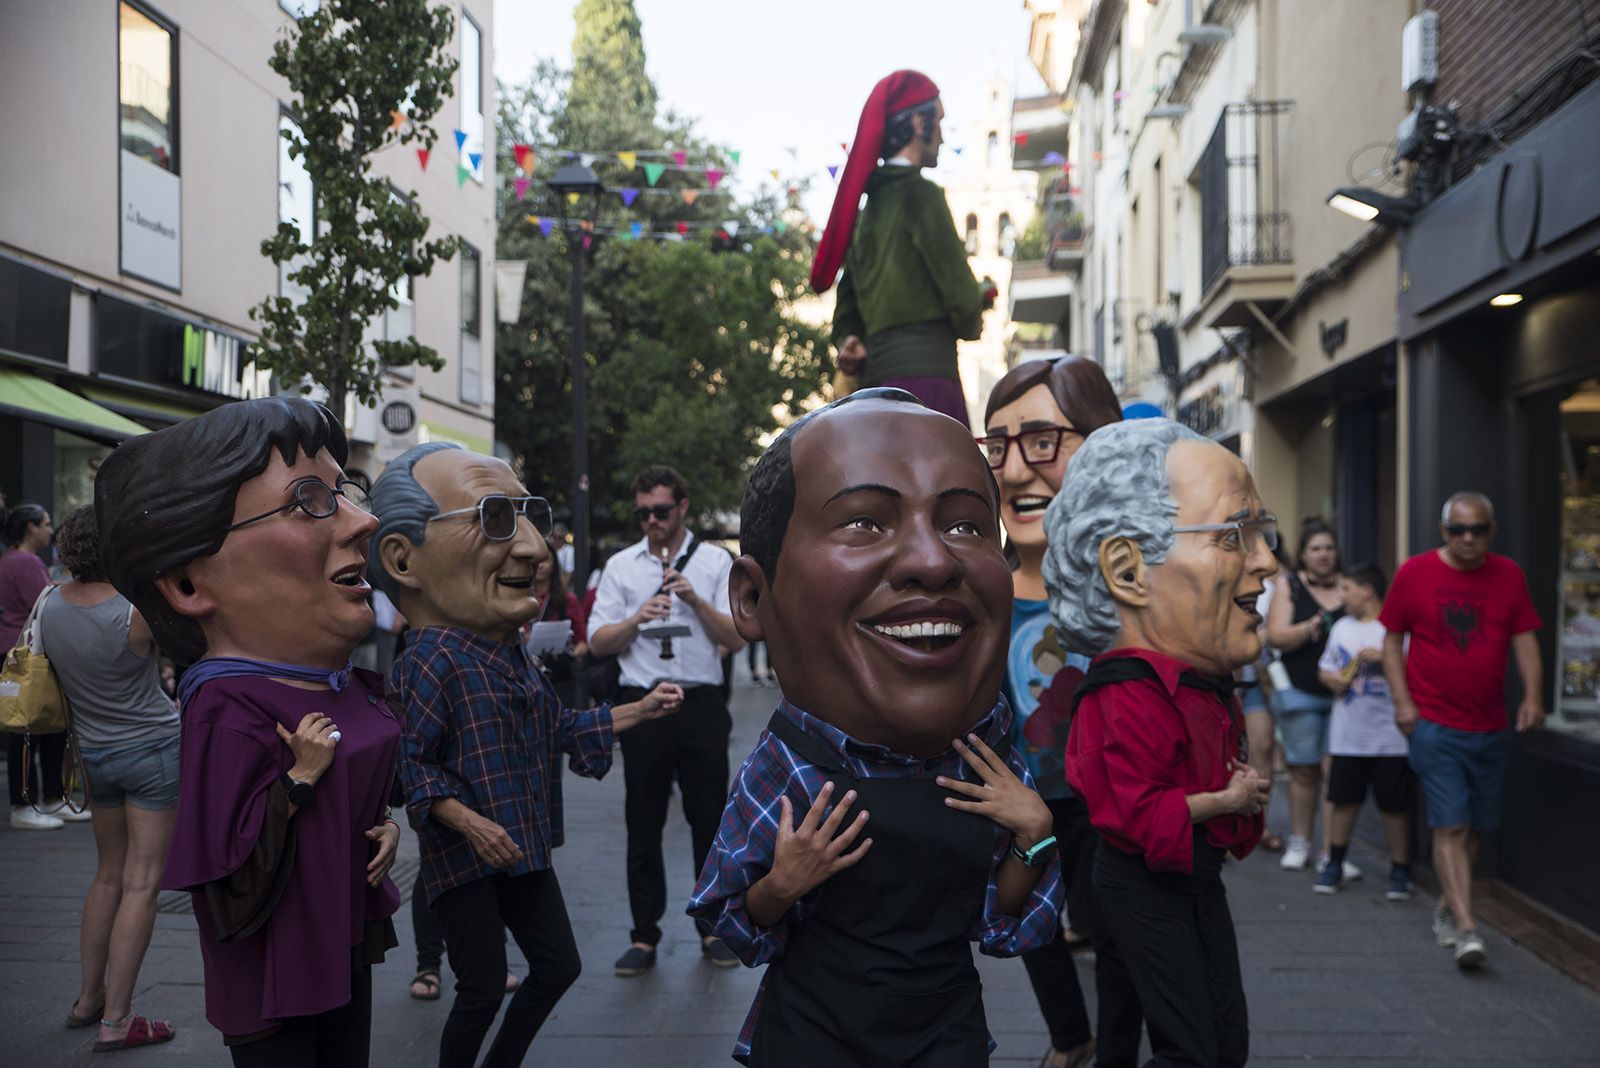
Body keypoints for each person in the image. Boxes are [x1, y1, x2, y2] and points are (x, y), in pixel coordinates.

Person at [689, 388, 1063, 1066]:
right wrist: (782, 883)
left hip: (943, 1032)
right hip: (816, 1036)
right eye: (865, 522)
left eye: (964, 526)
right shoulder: (790, 765)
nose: (933, 561)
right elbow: (735, 919)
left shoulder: (985, 754)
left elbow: (997, 919)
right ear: (753, 597)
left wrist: (1035, 835)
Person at [96, 397, 402, 1066]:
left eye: (343, 492)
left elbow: (354, 789)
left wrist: (379, 825)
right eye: (308, 501)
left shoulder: (330, 683)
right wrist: (299, 782)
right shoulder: (226, 706)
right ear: (187, 584)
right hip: (276, 974)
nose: (363, 519)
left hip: (339, 935)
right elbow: (226, 872)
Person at [368, 442, 683, 1068]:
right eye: (493, 518)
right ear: (403, 558)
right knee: (482, 988)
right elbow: (410, 767)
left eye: (528, 515)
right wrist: (472, 825)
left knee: (558, 965)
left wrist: (638, 711)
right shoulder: (428, 660)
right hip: (468, 858)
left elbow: (554, 725)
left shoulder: (504, 649)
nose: (535, 549)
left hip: (520, 841)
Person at [1044, 418, 1274, 1068]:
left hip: (1188, 878)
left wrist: (1237, 793)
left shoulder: (1199, 683)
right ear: (1127, 570)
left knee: (1212, 1041)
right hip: (1143, 884)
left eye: (1262, 531)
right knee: (1193, 1050)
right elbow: (1141, 812)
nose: (1265, 560)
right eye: (1234, 535)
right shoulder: (1126, 694)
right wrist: (1229, 799)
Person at [980, 356, 1124, 1068]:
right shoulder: (983, 593)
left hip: (1115, 796)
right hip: (1028, 797)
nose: (1013, 471)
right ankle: (1071, 1037)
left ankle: (1117, 1049)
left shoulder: (1130, 588)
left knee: (1120, 927)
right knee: (1031, 924)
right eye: (997, 446)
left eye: (1042, 442)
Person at [588, 464, 746, 975]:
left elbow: (736, 637)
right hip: (643, 703)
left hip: (701, 703)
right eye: (643, 514)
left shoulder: (716, 562)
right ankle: (643, 935)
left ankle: (713, 927)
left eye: (660, 511)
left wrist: (693, 599)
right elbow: (597, 642)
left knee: (709, 820)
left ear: (682, 508)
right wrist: (637, 618)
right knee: (643, 820)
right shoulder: (621, 566)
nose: (651, 522)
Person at [38, 506, 182, 1049]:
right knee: (142, 882)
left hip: (94, 756)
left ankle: (87, 998)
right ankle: (118, 1021)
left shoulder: (49, 603)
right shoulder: (135, 609)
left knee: (107, 876)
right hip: (153, 751)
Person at [1380, 491, 1543, 970]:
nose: (1468, 538)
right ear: (1442, 530)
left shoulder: (1509, 574)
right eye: (1458, 530)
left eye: (1478, 529)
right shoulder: (1415, 573)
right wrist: (1403, 702)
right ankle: (1468, 928)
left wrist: (1534, 696)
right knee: (1450, 824)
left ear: (1492, 531)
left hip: (1490, 724)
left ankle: (1449, 905)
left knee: (1472, 826)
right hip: (1433, 723)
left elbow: (1525, 638)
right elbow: (1391, 641)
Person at [810, 70, 993, 427]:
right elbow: (963, 300)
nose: (942, 136)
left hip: (872, 394)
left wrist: (850, 340)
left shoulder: (865, 213)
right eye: (938, 121)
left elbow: (846, 315)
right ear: (918, 122)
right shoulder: (921, 194)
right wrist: (979, 303)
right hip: (929, 387)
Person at [1313, 563, 1415, 900]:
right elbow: (1325, 668)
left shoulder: (1394, 629)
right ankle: (1335, 862)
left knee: (1394, 805)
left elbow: (1416, 672)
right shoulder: (1341, 627)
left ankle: (1400, 869)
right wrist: (1331, 679)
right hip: (1348, 735)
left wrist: (1385, 659)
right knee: (1343, 801)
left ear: (1366, 591)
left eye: (1347, 589)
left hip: (1390, 736)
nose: (1342, 597)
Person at [1265, 517, 1349, 874]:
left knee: (1336, 773)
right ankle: (1300, 841)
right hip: (1300, 693)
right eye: (1316, 549)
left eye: (1329, 548)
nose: (1323, 555)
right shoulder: (1290, 586)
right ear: (1302, 554)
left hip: (1345, 697)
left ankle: (1332, 851)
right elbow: (1275, 636)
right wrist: (1306, 628)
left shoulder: (1348, 585)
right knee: (1304, 771)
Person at [2, 500, 79, 830]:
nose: (50, 530)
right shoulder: (26, 562)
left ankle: (47, 798)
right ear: (30, 528)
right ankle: (27, 803)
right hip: (30, 654)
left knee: (38, 726)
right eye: (46, 524)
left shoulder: (10, 560)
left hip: (17, 651)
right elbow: (46, 605)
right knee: (33, 728)